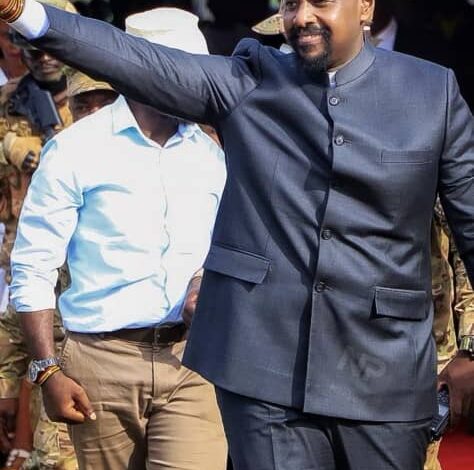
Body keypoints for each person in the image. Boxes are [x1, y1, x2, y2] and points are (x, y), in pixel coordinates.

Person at [2, 0, 474, 468]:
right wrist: (23, 11)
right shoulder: (251, 79)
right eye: (291, 4)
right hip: (265, 379)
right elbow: (133, 58)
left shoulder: (431, 92)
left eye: (320, 2)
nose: (302, 16)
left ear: (365, 7)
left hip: (384, 373)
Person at [9, 8, 227, 470]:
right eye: (182, 72)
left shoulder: (211, 153)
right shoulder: (75, 150)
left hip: (192, 362)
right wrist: (47, 370)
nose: (196, 85)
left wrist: (204, 278)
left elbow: (227, 244)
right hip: (100, 363)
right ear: (139, 71)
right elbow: (33, 266)